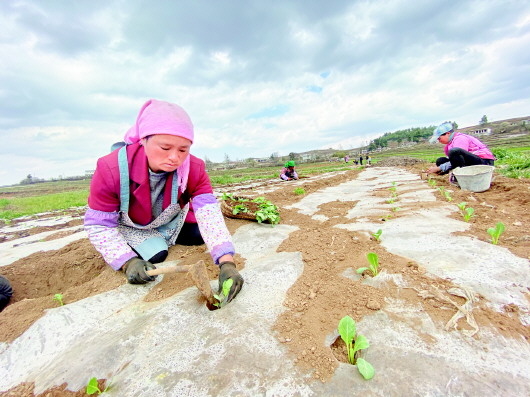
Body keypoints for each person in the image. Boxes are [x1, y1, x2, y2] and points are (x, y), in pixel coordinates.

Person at [84, 99, 243, 303]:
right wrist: (127, 261)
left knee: (198, 235)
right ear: (144, 140)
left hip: (166, 220)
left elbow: (210, 215)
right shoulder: (111, 168)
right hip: (132, 224)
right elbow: (99, 225)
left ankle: (163, 235)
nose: (175, 158)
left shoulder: (194, 168)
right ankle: (139, 246)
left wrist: (227, 263)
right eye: (165, 148)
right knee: (156, 256)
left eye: (183, 150)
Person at [426, 122, 495, 180]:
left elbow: (458, 156)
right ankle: (452, 173)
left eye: (439, 138)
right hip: (471, 161)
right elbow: (454, 160)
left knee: (454, 152)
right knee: (441, 160)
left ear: (447, 134)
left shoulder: (460, 139)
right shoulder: (450, 143)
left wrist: (439, 168)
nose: (439, 141)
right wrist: (439, 167)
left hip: (484, 162)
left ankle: (459, 177)